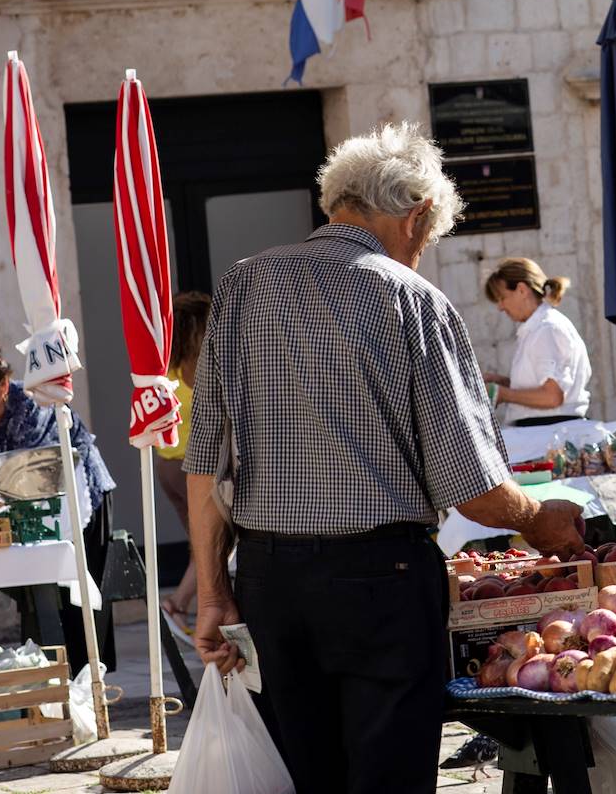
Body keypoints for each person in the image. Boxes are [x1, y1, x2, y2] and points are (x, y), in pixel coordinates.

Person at [184, 122, 586, 794]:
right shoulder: (411, 298)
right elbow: (474, 488)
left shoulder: (243, 285)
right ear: (416, 214)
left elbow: (206, 463)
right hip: (380, 581)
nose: (421, 252)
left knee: (311, 777)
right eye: (427, 238)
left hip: (270, 579)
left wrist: (210, 594)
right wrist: (537, 518)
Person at [0, 342, 117, 675]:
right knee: (36, 592)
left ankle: (88, 674)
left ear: (3, 385)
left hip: (79, 497)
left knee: (78, 590)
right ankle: (49, 671)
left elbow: (29, 480)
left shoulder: (30, 405)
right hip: (30, 510)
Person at [153, 290, 210, 643]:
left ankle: (193, 610)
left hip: (168, 468)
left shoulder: (167, 370)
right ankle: (176, 604)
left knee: (200, 543)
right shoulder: (200, 369)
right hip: (194, 470)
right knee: (214, 543)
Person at [481, 258, 593, 426]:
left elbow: (552, 397)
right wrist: (503, 383)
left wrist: (502, 393)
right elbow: (541, 386)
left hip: (549, 432)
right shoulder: (537, 328)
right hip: (545, 430)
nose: (500, 307)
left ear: (521, 290)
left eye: (502, 298)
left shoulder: (546, 329)